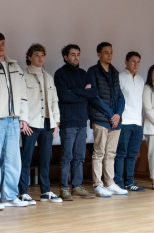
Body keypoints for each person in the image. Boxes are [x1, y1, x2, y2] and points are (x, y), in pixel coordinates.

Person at [0, 32, 30, 209]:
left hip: (14, 120)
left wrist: (23, 118)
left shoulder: (15, 65)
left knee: (13, 159)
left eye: (3, 43)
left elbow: (23, 94)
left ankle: (9, 195)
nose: (1, 47)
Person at [18, 44, 62, 203]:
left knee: (45, 159)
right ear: (29, 57)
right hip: (30, 124)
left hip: (48, 124)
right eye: (36, 54)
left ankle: (46, 191)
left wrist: (56, 122)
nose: (40, 58)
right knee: (26, 158)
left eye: (42, 54)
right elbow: (20, 100)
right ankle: (23, 192)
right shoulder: (22, 76)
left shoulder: (48, 77)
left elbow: (55, 101)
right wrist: (23, 121)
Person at [54, 44, 97, 201]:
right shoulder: (60, 74)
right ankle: (63, 188)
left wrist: (76, 91)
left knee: (79, 156)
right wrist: (83, 92)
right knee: (67, 156)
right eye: (72, 54)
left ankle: (77, 186)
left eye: (78, 54)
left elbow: (92, 92)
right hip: (68, 121)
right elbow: (65, 97)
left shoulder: (83, 73)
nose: (76, 57)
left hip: (81, 120)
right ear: (66, 57)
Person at [87, 42, 128, 197]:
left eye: (111, 52)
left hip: (114, 120)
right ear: (99, 54)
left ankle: (110, 183)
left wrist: (118, 114)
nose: (109, 55)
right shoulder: (92, 71)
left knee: (111, 153)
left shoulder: (114, 72)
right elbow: (94, 97)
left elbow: (120, 97)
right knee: (99, 152)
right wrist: (111, 114)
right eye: (106, 53)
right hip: (100, 118)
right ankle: (98, 184)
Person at [114, 51, 146, 192]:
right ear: (126, 62)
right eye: (133, 61)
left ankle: (129, 182)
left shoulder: (140, 79)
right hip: (124, 121)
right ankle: (118, 182)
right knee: (121, 153)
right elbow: (116, 100)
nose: (136, 64)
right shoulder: (120, 77)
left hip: (137, 123)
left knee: (132, 154)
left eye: (138, 62)